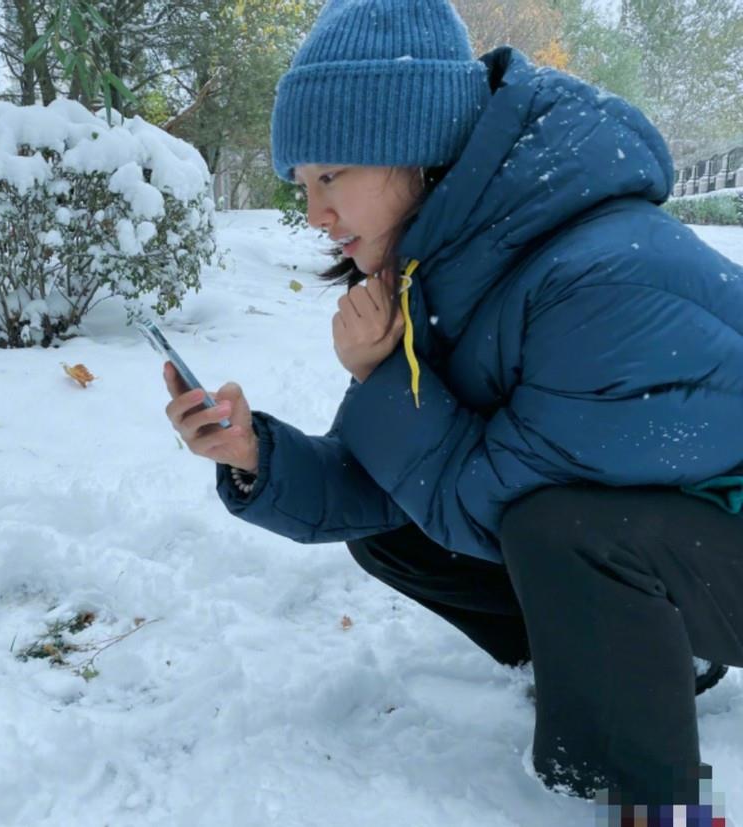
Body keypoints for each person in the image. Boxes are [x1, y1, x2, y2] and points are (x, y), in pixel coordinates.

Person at [160, 0, 743, 816]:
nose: (315, 214)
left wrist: (379, 379)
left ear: (418, 149)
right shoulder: (452, 261)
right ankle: (623, 668)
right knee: (397, 529)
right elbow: (389, 477)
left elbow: (493, 505)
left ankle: (657, 800)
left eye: (333, 175)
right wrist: (258, 457)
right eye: (301, 184)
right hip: (682, 540)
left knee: (557, 529)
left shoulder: (597, 277)